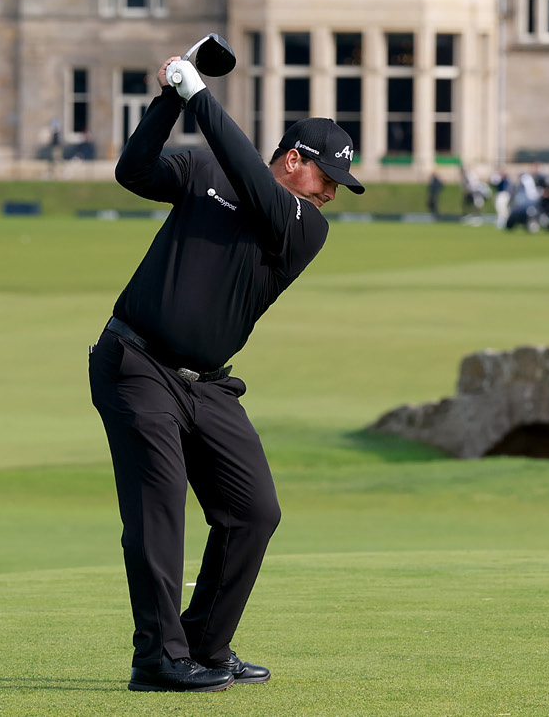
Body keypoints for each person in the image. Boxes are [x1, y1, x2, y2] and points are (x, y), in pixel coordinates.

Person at [90, 51, 363, 693]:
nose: (330, 193)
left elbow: (249, 174)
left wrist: (200, 93)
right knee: (160, 512)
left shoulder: (304, 227)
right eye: (325, 177)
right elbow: (134, 172)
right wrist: (170, 101)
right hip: (135, 363)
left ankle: (207, 648)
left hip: (208, 384)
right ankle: (158, 659)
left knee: (253, 511)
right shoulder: (205, 167)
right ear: (293, 157)